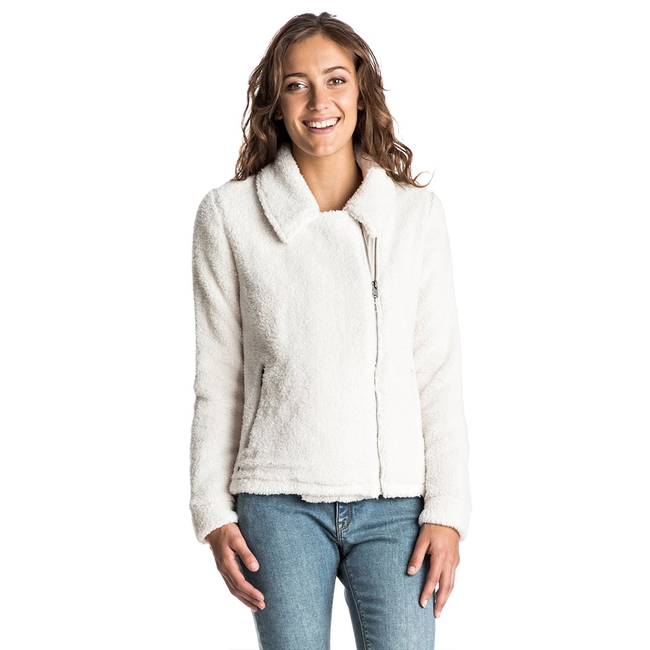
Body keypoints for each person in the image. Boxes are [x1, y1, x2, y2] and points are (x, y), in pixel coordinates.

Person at [189, 11, 471, 650]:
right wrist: (211, 512)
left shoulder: (415, 215)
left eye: (336, 79)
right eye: (297, 85)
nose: (320, 101)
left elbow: (437, 371)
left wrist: (449, 512)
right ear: (276, 102)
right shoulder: (228, 216)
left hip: (398, 506)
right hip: (277, 500)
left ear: (361, 91)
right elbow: (219, 376)